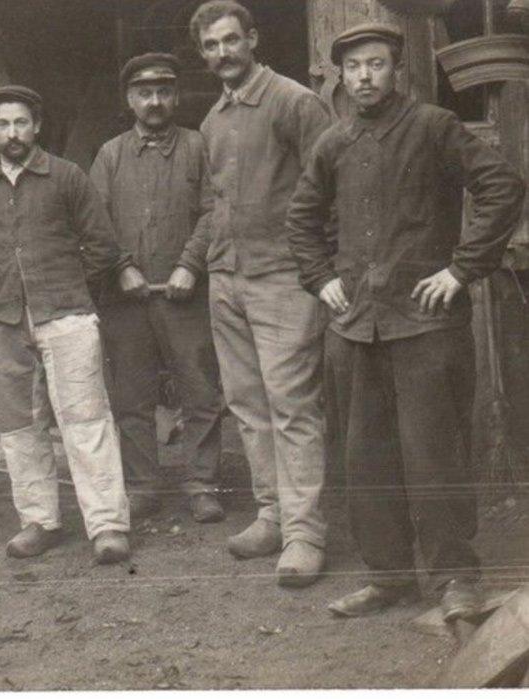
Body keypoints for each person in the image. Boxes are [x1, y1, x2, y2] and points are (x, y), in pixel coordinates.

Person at [287, 23, 526, 618]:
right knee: (364, 457)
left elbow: (502, 187)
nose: (365, 76)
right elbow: (300, 217)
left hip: (425, 324)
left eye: (376, 64)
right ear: (340, 76)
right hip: (354, 327)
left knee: (433, 454)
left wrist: (463, 269)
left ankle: (455, 579)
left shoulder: (435, 128)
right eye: (354, 67)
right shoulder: (333, 142)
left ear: (399, 70)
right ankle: (388, 575)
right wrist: (321, 278)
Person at [0, 85, 134, 563]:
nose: (12, 133)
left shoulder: (67, 177)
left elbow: (102, 249)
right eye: (2, 125)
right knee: (19, 426)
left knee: (86, 420)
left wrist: (68, 293)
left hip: (67, 315)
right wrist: (1, 299)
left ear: (36, 126)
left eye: (20, 123)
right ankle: (39, 520)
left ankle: (107, 525)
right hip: (4, 322)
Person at [190, 0, 332, 586]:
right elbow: (211, 204)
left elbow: (332, 190)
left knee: (292, 407)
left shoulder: (296, 102)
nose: (222, 53)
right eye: (210, 46)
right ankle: (271, 515)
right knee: (248, 407)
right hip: (227, 279)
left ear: (252, 39)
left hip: (283, 279)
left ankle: (305, 534)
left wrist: (323, 275)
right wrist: (207, 267)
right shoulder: (211, 121)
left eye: (230, 40)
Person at [90, 52, 226, 524]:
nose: (154, 102)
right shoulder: (110, 154)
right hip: (126, 300)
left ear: (176, 96)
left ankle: (203, 484)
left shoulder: (197, 146)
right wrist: (122, 266)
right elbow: (95, 221)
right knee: (131, 398)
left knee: (202, 393)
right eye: (144, 93)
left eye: (163, 92)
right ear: (129, 99)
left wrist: (190, 264)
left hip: (184, 297)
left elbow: (215, 211)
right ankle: (144, 486)